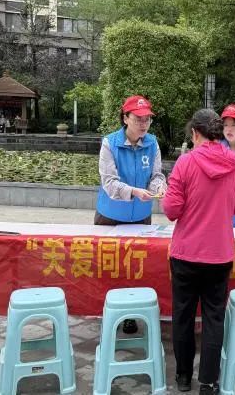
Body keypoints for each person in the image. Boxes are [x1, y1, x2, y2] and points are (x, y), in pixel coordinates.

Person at [162, 109, 235, 395]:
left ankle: (183, 376)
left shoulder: (185, 163)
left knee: (183, 316)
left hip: (186, 254)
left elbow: (171, 210)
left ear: (195, 133)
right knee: (214, 318)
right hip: (220, 254)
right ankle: (208, 382)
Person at [94, 94, 166, 334]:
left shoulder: (152, 143)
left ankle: (131, 314)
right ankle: (108, 311)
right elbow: (109, 182)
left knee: (136, 267)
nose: (144, 124)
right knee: (110, 266)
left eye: (147, 119)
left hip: (141, 217)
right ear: (125, 118)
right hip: (110, 216)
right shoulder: (110, 143)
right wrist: (134, 191)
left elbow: (156, 174)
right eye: (138, 119)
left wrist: (158, 187)